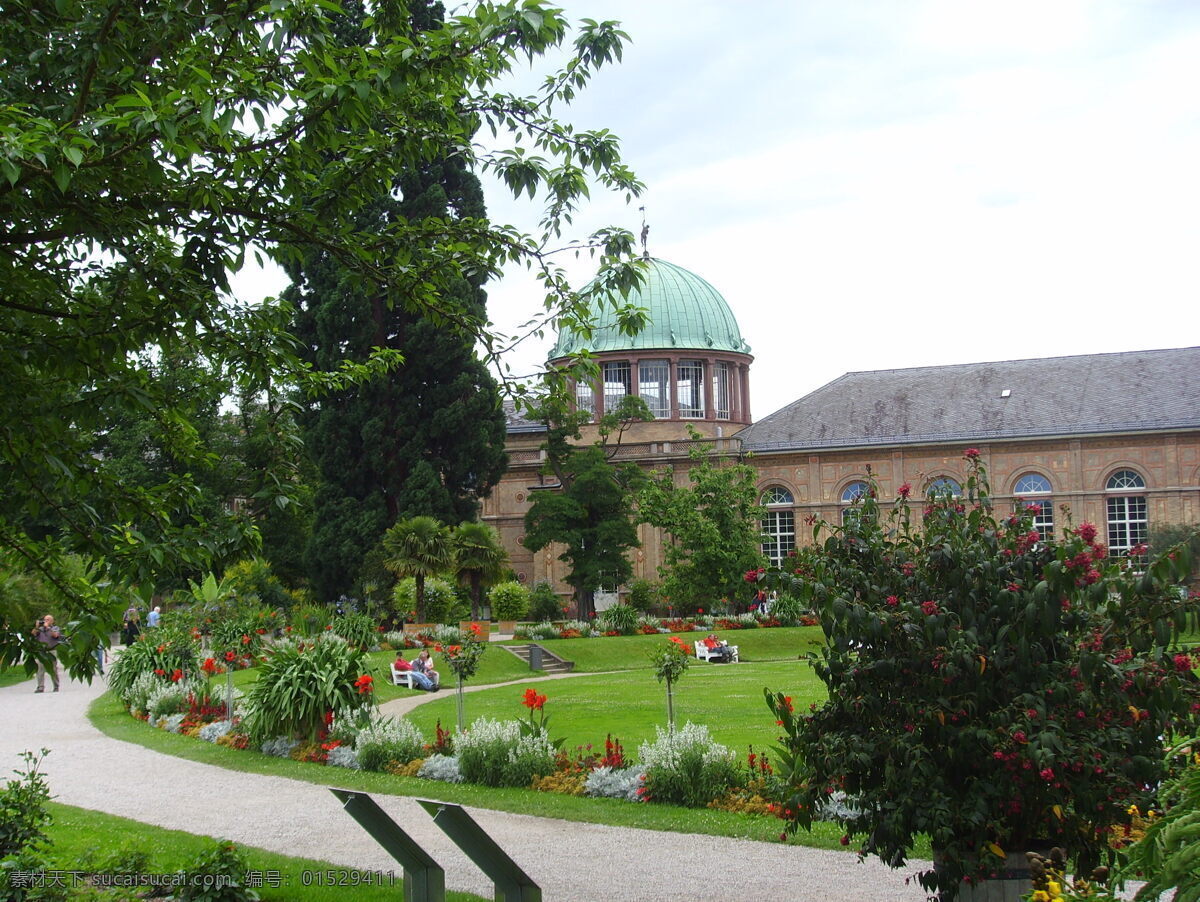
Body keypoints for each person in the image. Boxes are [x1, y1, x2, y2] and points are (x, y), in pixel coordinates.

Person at [32, 614, 65, 692]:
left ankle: (56, 686)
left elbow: (56, 635)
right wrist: (36, 626)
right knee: (40, 669)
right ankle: (40, 687)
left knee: (53, 669)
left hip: (52, 650)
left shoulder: (55, 628)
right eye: (45, 619)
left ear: (52, 621)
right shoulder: (40, 629)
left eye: (48, 620)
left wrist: (48, 628)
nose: (45, 621)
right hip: (41, 651)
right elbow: (33, 633)